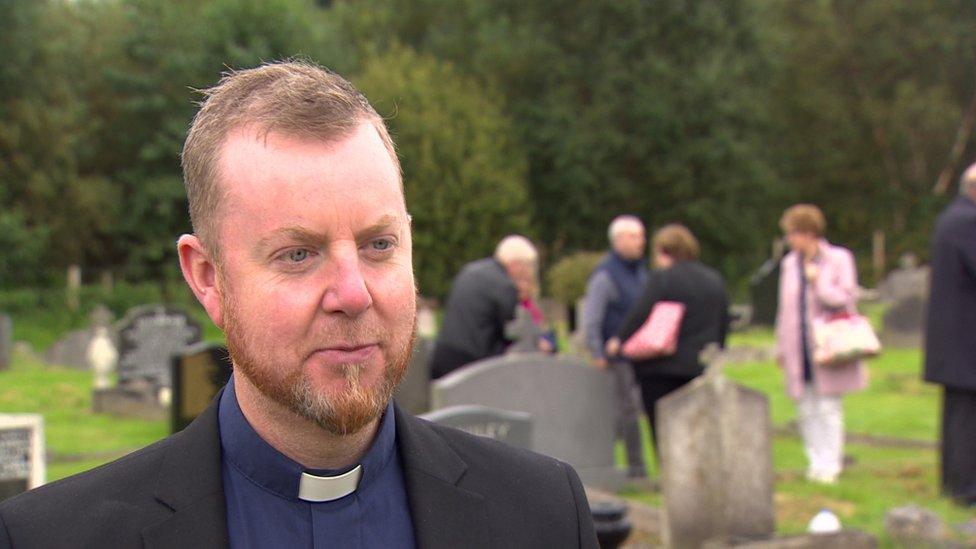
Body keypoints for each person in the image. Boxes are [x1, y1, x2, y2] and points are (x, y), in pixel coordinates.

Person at [0, 61, 598, 548]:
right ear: (208, 278)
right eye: (298, 255)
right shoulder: (48, 538)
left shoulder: (544, 515)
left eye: (378, 244)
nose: (354, 293)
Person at [606, 224, 728, 456]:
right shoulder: (713, 279)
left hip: (660, 367)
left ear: (662, 251)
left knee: (663, 428)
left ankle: (669, 468)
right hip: (699, 366)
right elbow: (722, 320)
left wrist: (618, 340)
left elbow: (641, 313)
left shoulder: (664, 278)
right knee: (695, 425)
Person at [774, 204, 866, 484]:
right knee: (805, 406)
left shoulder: (838, 259)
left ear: (809, 233)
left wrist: (818, 283)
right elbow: (784, 307)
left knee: (828, 406)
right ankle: (814, 461)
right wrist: (780, 346)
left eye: (794, 233)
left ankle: (831, 463)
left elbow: (845, 298)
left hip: (828, 342)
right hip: (797, 344)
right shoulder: (789, 264)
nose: (790, 240)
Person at [924, 164, 976, 506]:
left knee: (959, 413)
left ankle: (955, 483)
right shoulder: (967, 221)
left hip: (956, 338)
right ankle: (965, 488)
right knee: (965, 418)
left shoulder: (953, 218)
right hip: (965, 339)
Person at [582, 215, 648, 478]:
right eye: (634, 237)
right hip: (616, 358)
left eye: (642, 236)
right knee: (627, 411)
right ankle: (636, 466)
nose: (640, 242)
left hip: (642, 355)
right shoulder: (606, 275)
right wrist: (597, 351)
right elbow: (593, 317)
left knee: (633, 410)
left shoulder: (641, 272)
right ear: (618, 240)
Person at [429, 235, 541, 379]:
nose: (527, 273)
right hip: (473, 363)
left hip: (443, 356)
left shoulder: (470, 271)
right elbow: (511, 334)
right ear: (515, 264)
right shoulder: (505, 286)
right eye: (527, 267)